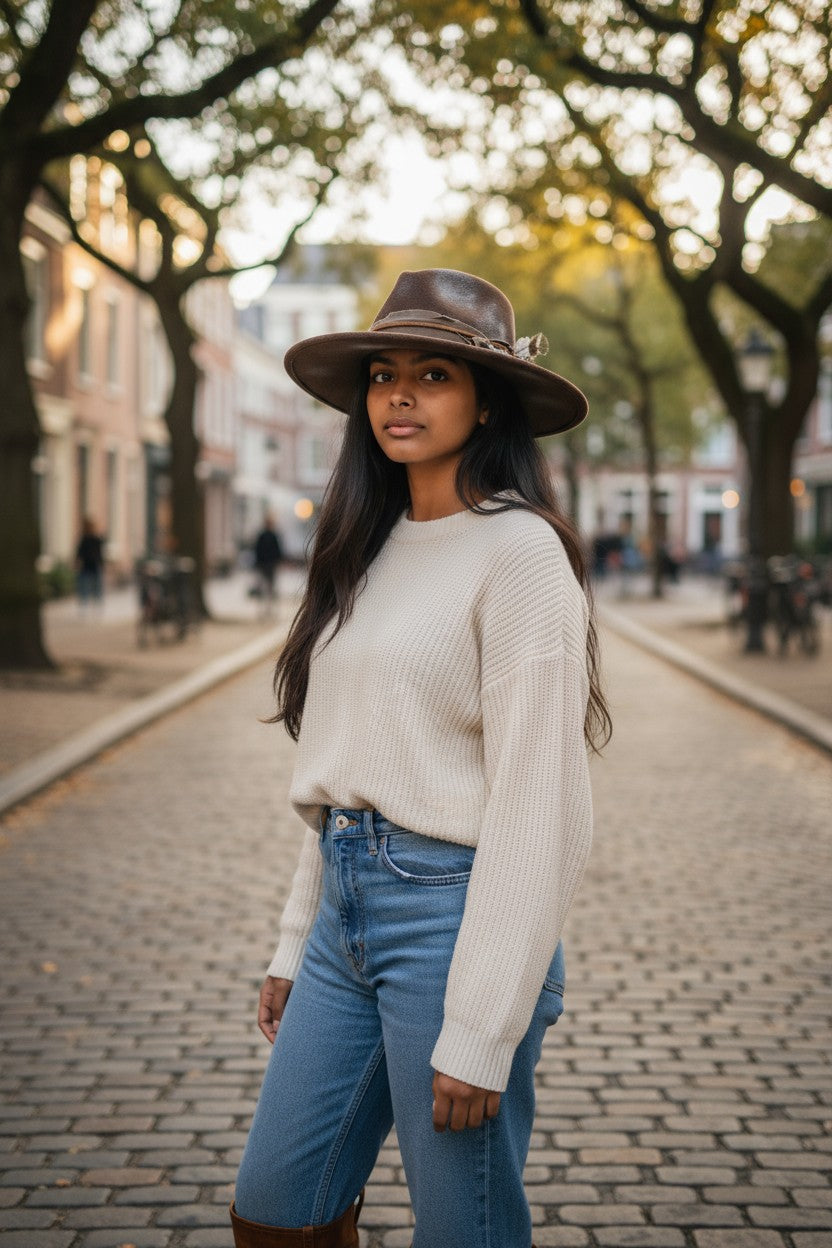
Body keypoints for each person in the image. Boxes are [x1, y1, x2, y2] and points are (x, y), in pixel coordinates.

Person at [231, 269, 611, 1248]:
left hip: (452, 924)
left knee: (463, 1233)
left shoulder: (519, 553)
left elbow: (541, 805)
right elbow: (352, 759)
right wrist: (293, 938)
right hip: (342, 917)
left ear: (485, 401)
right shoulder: (363, 543)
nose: (399, 394)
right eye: (384, 374)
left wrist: (483, 1029)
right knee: (276, 1216)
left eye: (433, 373)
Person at [253, 513, 284, 614]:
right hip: (267, 564)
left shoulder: (265, 536)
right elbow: (277, 551)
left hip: (267, 564)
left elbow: (257, 550)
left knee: (267, 587)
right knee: (267, 587)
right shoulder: (269, 536)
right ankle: (265, 608)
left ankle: (266, 608)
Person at [75, 516, 105, 611]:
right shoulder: (84, 539)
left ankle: (96, 604)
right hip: (87, 565)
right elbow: (79, 552)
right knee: (86, 586)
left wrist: (101, 564)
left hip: (93, 565)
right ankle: (87, 604)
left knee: (95, 586)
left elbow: (100, 553)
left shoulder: (96, 539)